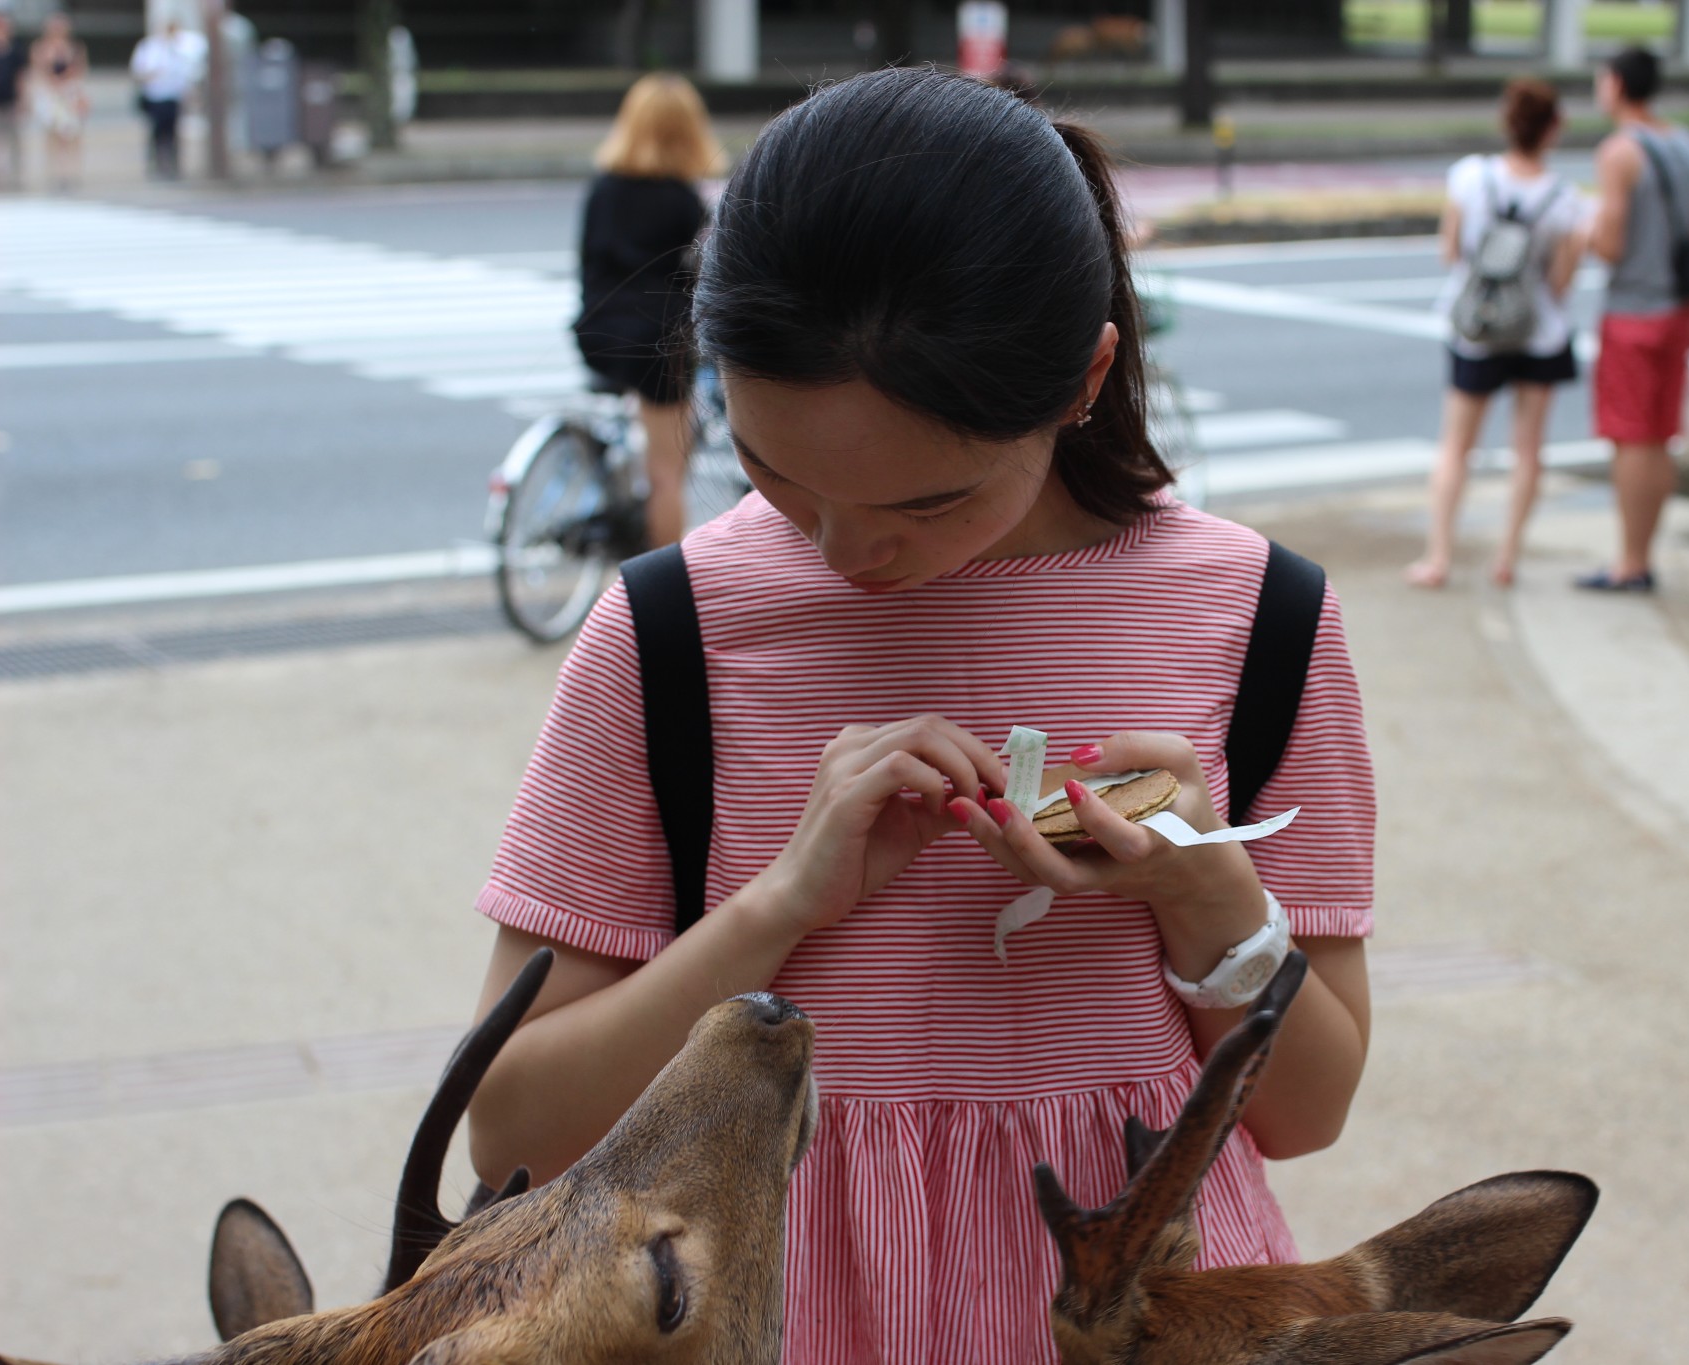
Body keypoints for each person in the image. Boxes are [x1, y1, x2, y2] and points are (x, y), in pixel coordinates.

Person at [466, 68, 1376, 1363]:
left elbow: (1306, 1111)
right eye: (773, 472)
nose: (847, 552)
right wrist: (781, 904)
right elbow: (510, 1128)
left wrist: (1202, 891)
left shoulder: (1259, 617)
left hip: (1135, 1325)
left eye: (929, 503)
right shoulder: (669, 632)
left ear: (1086, 377)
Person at [1407, 78, 1585, 591]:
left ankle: (1438, 558)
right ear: (1554, 129)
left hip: (1477, 328)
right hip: (1540, 332)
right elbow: (1561, 282)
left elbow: (1450, 252)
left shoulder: (1469, 177)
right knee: (1528, 450)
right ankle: (1506, 558)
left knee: (1456, 446)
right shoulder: (1568, 201)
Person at [573, 72, 726, 550]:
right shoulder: (682, 202)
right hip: (656, 342)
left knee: (637, 429)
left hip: (596, 333)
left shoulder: (603, 188)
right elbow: (700, 281)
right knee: (666, 475)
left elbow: (587, 265)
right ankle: (656, 580)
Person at [1581, 46, 1689, 593]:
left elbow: (1610, 243)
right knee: (1660, 436)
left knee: (1630, 437)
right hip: (1679, 307)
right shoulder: (1685, 143)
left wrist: (1581, 230)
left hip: (1633, 310)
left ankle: (1629, 561)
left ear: (1614, 85)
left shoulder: (1619, 152)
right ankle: (1644, 553)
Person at [128, 19, 201, 180]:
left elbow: (188, 72)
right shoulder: (149, 47)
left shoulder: (181, 48)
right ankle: (156, 164)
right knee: (157, 131)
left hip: (173, 96)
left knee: (173, 131)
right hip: (155, 96)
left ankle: (173, 165)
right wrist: (152, 75)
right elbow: (138, 71)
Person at [28, 10, 88, 192]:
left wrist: (76, 93)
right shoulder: (41, 48)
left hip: (69, 94)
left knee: (71, 136)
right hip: (50, 95)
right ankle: (54, 174)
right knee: (52, 136)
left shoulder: (75, 47)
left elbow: (81, 72)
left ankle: (71, 173)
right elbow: (38, 71)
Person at [0, 13, 25, 191]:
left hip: (10, 99)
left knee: (13, 136)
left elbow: (20, 76)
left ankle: (14, 174)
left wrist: (22, 99)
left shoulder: (15, 49)